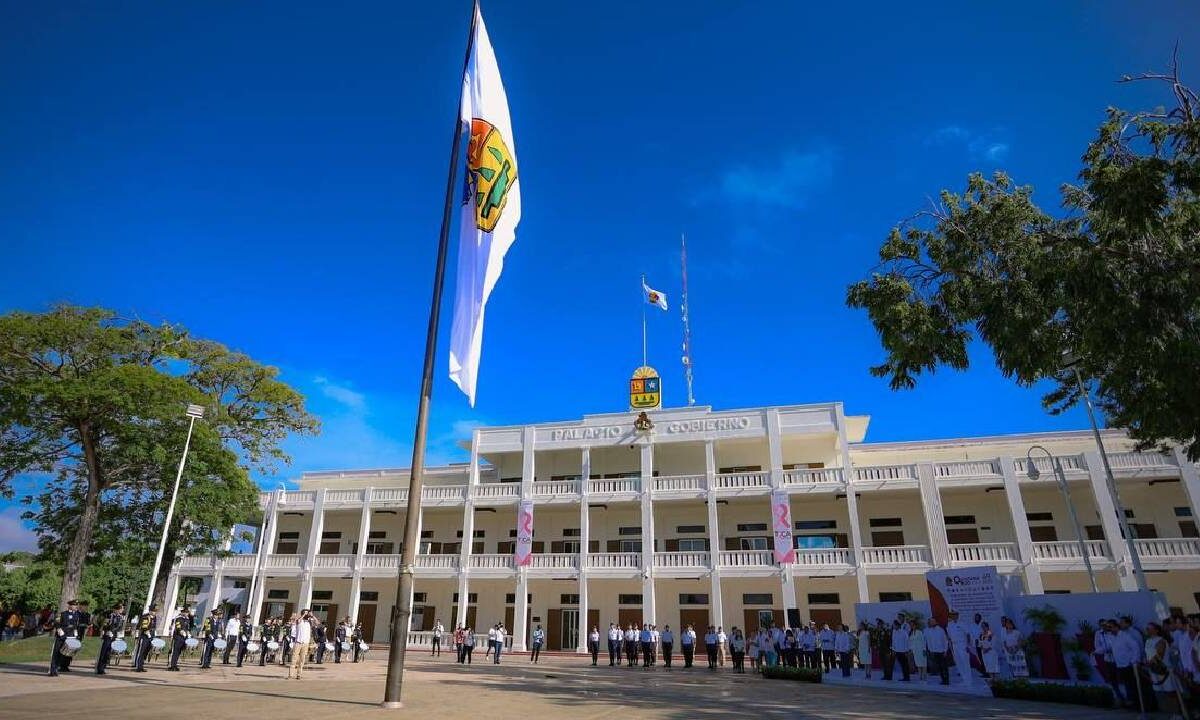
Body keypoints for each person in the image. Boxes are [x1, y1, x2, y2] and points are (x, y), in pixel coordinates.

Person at [1109, 619, 1151, 711]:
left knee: (1134, 686)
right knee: (1127, 686)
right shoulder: (1113, 638)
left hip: (1130, 665)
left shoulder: (1125, 636)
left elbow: (1136, 647)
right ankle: (1133, 704)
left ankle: (1141, 705)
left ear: (1116, 627)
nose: (1109, 630)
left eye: (1111, 627)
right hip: (1120, 665)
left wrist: (1135, 660)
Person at [1143, 622, 1175, 714]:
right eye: (1147, 628)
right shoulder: (1148, 641)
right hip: (1153, 670)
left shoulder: (1161, 640)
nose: (1147, 630)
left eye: (1149, 628)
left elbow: (1159, 655)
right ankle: (1168, 712)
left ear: (1156, 630)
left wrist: (1149, 662)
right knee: (1159, 692)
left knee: (1170, 692)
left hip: (1164, 671)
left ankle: (1177, 713)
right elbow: (1148, 654)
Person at [48, 599, 84, 677]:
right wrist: (60, 632)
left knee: (63, 654)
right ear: (70, 606)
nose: (75, 607)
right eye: (74, 605)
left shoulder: (76, 615)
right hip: (61, 636)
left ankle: (57, 669)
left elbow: (75, 626)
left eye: (76, 605)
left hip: (70, 636)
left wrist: (75, 634)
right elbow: (57, 623)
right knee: (56, 653)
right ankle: (52, 670)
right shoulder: (63, 614)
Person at [94, 602, 125, 675]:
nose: (122, 610)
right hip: (108, 636)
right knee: (103, 652)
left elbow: (119, 627)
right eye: (121, 609)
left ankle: (104, 667)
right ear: (116, 609)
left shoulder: (120, 617)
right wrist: (106, 631)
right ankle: (99, 668)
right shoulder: (110, 616)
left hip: (114, 636)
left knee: (108, 653)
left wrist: (119, 634)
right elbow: (104, 625)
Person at [946, 610, 972, 687]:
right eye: (952, 615)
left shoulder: (962, 623)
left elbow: (968, 634)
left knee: (965, 663)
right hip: (954, 645)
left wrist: (968, 646)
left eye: (955, 615)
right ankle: (964, 680)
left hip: (962, 644)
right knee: (959, 663)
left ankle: (969, 681)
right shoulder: (949, 624)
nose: (953, 616)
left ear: (957, 615)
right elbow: (949, 636)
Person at [287, 609, 313, 680]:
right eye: (306, 613)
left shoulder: (309, 622)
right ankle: (291, 674)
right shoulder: (300, 621)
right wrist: (303, 615)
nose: (307, 615)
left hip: (305, 643)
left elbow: (318, 623)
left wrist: (312, 615)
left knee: (302, 660)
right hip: (298, 643)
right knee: (294, 659)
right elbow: (297, 621)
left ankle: (299, 674)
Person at [133, 604, 158, 673]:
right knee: (141, 651)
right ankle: (138, 666)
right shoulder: (145, 617)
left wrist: (154, 633)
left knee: (146, 651)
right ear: (150, 611)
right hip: (145, 636)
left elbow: (154, 626)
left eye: (155, 611)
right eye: (153, 611)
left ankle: (142, 665)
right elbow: (144, 626)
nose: (155, 612)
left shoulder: (154, 617)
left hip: (151, 635)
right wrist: (147, 632)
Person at [924, 617, 950, 685]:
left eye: (932, 621)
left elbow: (945, 641)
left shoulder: (940, 630)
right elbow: (925, 640)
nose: (931, 623)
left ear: (936, 622)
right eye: (930, 621)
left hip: (941, 651)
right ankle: (943, 679)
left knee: (943, 667)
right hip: (933, 651)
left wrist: (945, 650)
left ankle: (946, 680)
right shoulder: (927, 631)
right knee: (939, 667)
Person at [166, 605, 191, 671]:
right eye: (185, 612)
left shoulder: (187, 619)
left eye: (187, 612)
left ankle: (175, 664)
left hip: (184, 637)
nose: (186, 613)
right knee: (174, 651)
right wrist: (182, 632)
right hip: (177, 637)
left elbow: (187, 628)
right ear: (182, 612)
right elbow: (178, 627)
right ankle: (171, 665)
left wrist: (188, 633)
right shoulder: (178, 618)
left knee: (179, 652)